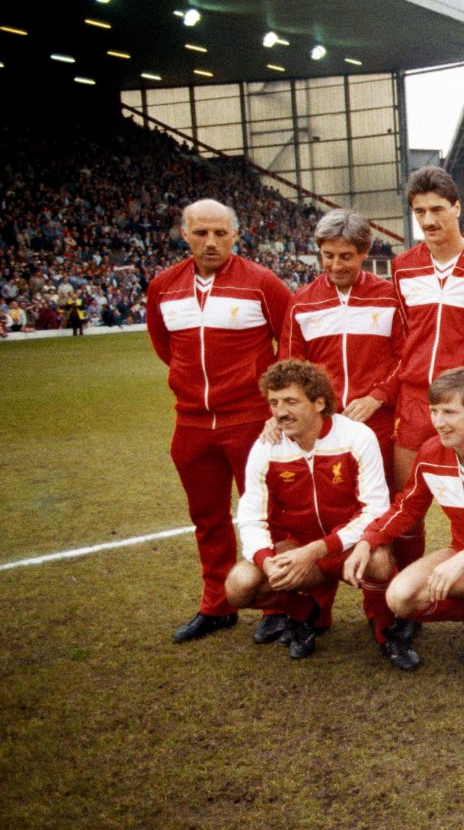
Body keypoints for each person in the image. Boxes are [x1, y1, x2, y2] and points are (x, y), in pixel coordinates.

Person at [146, 198, 290, 642]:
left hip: (250, 421)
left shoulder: (261, 282)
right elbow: (164, 345)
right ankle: (217, 604)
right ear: (184, 234)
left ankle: (276, 605)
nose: (210, 242)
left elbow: (288, 338)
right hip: (190, 423)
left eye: (220, 233)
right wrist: (192, 391)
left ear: (235, 235)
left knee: (268, 514)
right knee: (207, 518)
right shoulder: (163, 287)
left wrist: (272, 404)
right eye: (201, 233)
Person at [345, 368, 464, 670]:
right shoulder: (431, 452)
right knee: (400, 597)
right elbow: (406, 508)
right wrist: (368, 540)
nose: (438, 422)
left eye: (449, 412)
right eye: (434, 410)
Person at [276, 208, 404, 647]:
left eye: (345, 256)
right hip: (322, 427)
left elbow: (408, 356)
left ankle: (383, 617)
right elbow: (289, 368)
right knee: (321, 513)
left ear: (365, 253)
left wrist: (378, 397)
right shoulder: (303, 301)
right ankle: (315, 611)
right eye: (327, 256)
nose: (335, 266)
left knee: (380, 516)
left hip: (379, 422)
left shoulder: (389, 297)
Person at [225, 360, 390, 660]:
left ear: (319, 402)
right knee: (238, 585)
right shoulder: (265, 447)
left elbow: (376, 510)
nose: (281, 412)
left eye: (291, 401)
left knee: (379, 562)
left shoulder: (357, 437)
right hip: (295, 546)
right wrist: (266, 562)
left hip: (345, 548)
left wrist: (317, 550)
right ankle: (305, 613)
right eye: (274, 403)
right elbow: (250, 517)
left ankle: (386, 630)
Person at [389, 167, 464, 570]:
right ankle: (403, 615)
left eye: (437, 210)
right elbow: (402, 336)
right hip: (414, 401)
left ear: (457, 207)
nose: (428, 221)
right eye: (419, 212)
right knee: (406, 502)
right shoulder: (402, 267)